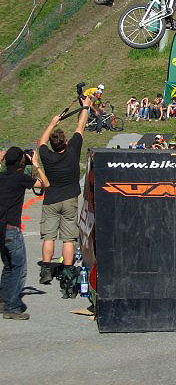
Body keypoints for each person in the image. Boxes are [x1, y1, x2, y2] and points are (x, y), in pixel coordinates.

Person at [37, 102, 89, 287]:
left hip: (51, 199)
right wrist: (85, 107)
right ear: (65, 142)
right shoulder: (72, 151)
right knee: (68, 238)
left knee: (48, 237)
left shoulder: (46, 155)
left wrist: (52, 124)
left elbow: (41, 143)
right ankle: (68, 272)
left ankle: (46, 270)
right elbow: (80, 127)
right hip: (69, 199)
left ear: (53, 144)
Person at [0, 147, 49, 319]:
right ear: (22, 162)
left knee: (8, 265)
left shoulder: (2, 176)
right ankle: (12, 307)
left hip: (0, 228)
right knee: (19, 268)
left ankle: (3, 300)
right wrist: (36, 164)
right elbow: (45, 184)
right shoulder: (20, 178)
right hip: (11, 229)